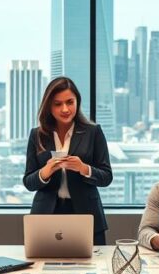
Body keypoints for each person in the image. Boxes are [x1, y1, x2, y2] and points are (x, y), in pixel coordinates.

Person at [23, 77, 113, 246]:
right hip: (47, 214)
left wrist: (84, 168)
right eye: (58, 104)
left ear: (77, 102)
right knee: (45, 268)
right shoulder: (37, 135)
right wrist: (46, 171)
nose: (65, 109)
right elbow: (28, 182)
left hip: (86, 213)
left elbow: (107, 177)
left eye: (70, 102)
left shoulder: (93, 132)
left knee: (93, 267)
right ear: (49, 106)